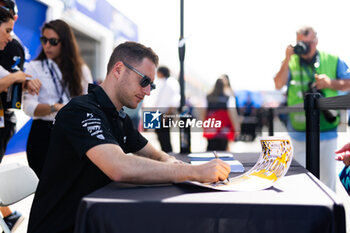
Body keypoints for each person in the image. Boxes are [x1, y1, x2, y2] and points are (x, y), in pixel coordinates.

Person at [27, 41, 230, 233]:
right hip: (63, 227)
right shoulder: (80, 111)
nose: (148, 91)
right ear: (118, 70)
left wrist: (170, 161)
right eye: (144, 81)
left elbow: (153, 154)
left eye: (152, 85)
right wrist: (192, 172)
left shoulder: (117, 115)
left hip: (96, 220)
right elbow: (119, 167)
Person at [274, 25, 350, 191]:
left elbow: (348, 83)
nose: (304, 48)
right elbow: (278, 84)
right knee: (301, 185)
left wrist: (330, 83)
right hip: (298, 133)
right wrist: (286, 58)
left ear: (315, 41)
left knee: (327, 183)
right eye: (300, 43)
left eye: (307, 43)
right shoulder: (291, 62)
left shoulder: (332, 59)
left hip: (327, 131)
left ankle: (329, 215)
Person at [22, 19, 93, 178]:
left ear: (65, 42)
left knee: (68, 185)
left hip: (71, 132)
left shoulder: (81, 70)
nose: (47, 45)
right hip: (42, 133)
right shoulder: (35, 66)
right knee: (43, 187)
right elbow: (29, 108)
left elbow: (88, 103)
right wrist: (56, 107)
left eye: (53, 41)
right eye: (44, 40)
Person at [0, 3, 41, 232]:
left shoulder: (14, 46)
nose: (9, 36)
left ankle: (8, 216)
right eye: (6, 29)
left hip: (4, 119)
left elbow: (11, 79)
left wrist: (22, 80)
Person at [143, 66, 180, 152]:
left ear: (161, 73)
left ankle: (168, 153)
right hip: (159, 113)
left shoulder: (171, 83)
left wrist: (167, 115)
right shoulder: (163, 82)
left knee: (164, 135)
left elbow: (173, 101)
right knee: (160, 134)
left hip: (165, 113)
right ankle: (166, 152)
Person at [203, 76, 240, 151]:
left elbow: (203, 112)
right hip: (224, 129)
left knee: (210, 147)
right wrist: (237, 128)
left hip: (211, 128)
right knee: (223, 150)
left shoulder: (208, 97)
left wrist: (204, 125)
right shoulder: (228, 98)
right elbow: (232, 114)